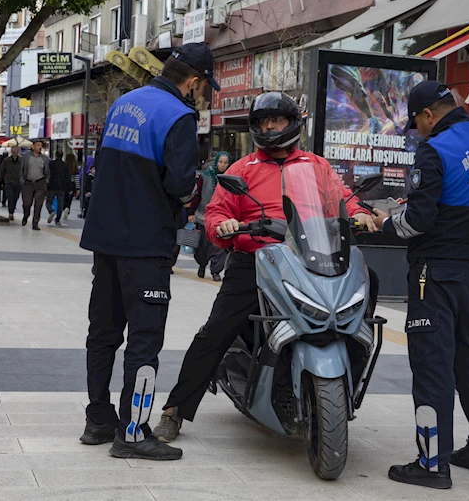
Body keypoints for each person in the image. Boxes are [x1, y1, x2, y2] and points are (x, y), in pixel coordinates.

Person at [152, 92, 378, 445]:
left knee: (369, 282)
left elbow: (342, 198)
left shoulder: (316, 166)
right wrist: (224, 225)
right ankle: (175, 410)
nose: (270, 127)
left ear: (293, 123)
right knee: (216, 331)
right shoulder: (244, 168)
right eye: (262, 122)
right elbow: (215, 212)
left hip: (310, 258)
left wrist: (360, 212)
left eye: (277, 120)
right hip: (256, 260)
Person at [79, 42, 219, 461]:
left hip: (105, 238)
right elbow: (180, 184)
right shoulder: (179, 115)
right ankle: (134, 431)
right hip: (145, 244)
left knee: (102, 333)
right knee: (144, 340)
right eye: (202, 86)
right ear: (193, 82)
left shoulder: (124, 103)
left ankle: (98, 420)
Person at [373, 82, 469, 489]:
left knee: (431, 366)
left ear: (429, 114)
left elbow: (419, 220)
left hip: (435, 273)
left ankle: (432, 464)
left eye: (417, 123)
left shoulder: (435, 150)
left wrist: (383, 224)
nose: (417, 132)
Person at [189, 151, 231, 281]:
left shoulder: (231, 178)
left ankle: (216, 271)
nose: (222, 165)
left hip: (222, 217)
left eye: (225, 163)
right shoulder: (205, 176)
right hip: (204, 217)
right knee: (202, 246)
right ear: (216, 161)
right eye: (220, 162)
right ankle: (202, 265)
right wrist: (191, 212)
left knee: (219, 247)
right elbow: (198, 195)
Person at [21, 140, 51, 230]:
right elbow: (21, 170)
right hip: (28, 183)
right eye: (38, 145)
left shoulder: (44, 159)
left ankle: (35, 223)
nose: (40, 147)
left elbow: (47, 172)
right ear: (33, 146)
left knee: (38, 205)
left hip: (40, 183)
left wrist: (46, 181)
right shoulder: (26, 157)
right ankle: (26, 216)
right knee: (27, 203)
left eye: (41, 145)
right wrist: (22, 181)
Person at [46, 151, 71, 226]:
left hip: (52, 186)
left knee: (48, 202)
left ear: (55, 155)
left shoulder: (51, 164)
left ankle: (51, 211)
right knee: (60, 204)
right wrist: (69, 188)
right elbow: (67, 177)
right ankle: (58, 220)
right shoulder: (65, 165)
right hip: (62, 187)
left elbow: (47, 174)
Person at [0, 147, 22, 221]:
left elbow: (24, 171)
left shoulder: (21, 161)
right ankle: (11, 212)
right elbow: (2, 170)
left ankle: (12, 209)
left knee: (16, 197)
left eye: (16, 150)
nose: (14, 151)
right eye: (13, 150)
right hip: (8, 182)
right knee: (10, 197)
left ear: (18, 151)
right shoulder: (6, 160)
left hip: (18, 183)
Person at [64, 152, 80, 220]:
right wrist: (78, 188)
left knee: (64, 198)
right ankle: (67, 209)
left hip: (65, 184)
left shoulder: (64, 166)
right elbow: (77, 178)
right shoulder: (75, 168)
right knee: (69, 200)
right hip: (72, 184)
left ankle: (64, 208)